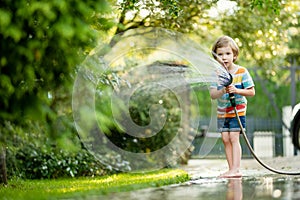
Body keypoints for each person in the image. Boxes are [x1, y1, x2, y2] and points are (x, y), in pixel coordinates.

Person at [210, 35, 255, 178]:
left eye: (228, 53)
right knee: (225, 138)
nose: (224, 57)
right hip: (222, 112)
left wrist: (236, 90)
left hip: (237, 111)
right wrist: (222, 90)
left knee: (234, 137)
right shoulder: (216, 74)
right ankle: (231, 169)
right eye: (220, 54)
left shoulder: (242, 72)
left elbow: (251, 92)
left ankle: (236, 169)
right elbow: (213, 94)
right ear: (216, 57)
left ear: (234, 55)